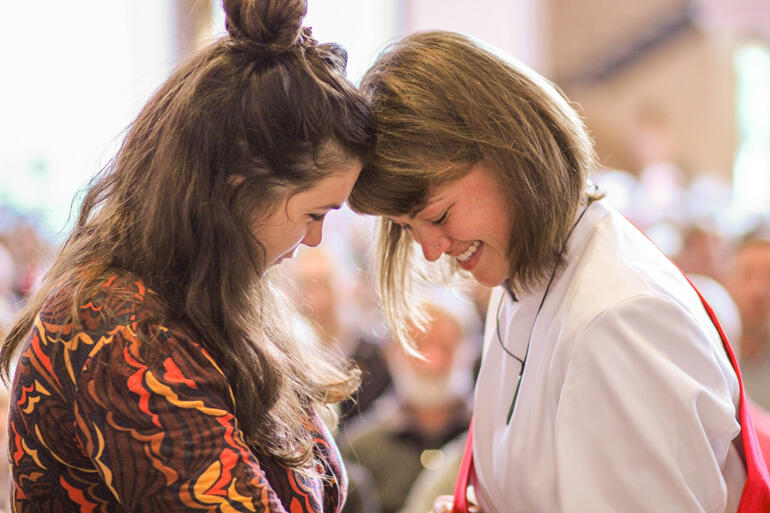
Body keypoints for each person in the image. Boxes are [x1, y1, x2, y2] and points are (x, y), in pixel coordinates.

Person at [348, 31, 769, 513]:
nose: (430, 250)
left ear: (508, 152)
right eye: (408, 228)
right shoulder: (526, 270)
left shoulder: (620, 318)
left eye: (439, 215)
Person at [1, 0, 374, 510]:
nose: (314, 240)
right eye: (315, 213)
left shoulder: (201, 302)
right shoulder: (122, 332)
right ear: (240, 189)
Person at [339, 290, 478, 513]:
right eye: (419, 346)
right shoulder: (360, 446)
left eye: (445, 346)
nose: (433, 361)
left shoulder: (485, 437)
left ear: (468, 350)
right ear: (392, 352)